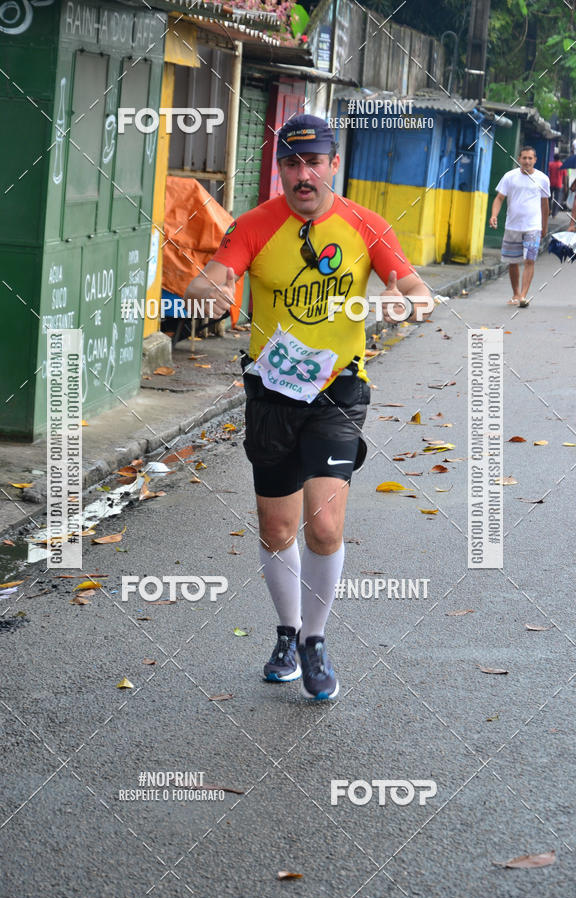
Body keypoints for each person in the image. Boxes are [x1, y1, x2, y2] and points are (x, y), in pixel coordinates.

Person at [183, 114, 431, 700]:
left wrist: (408, 304)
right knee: (277, 527)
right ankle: (287, 633)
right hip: (271, 393)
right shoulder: (255, 224)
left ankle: (316, 640)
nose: (303, 174)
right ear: (281, 169)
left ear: (332, 164)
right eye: (291, 163)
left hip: (338, 391)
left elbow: (418, 291)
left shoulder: (366, 227)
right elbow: (209, 279)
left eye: (313, 161)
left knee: (323, 524)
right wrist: (211, 293)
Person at [489, 146, 550, 308]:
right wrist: (494, 215)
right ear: (519, 159)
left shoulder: (543, 179)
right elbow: (499, 198)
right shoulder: (510, 177)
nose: (527, 161)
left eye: (530, 158)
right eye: (524, 158)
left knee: (530, 260)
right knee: (513, 261)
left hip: (533, 227)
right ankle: (515, 293)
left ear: (535, 160)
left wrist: (544, 227)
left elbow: (545, 205)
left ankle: (523, 295)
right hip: (512, 226)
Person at [548, 152, 565, 217]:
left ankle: (549, 210)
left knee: (549, 198)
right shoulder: (562, 165)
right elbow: (565, 177)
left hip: (551, 183)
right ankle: (554, 214)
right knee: (556, 199)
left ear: (554, 158)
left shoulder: (550, 164)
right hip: (558, 184)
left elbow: (548, 172)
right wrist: (565, 186)